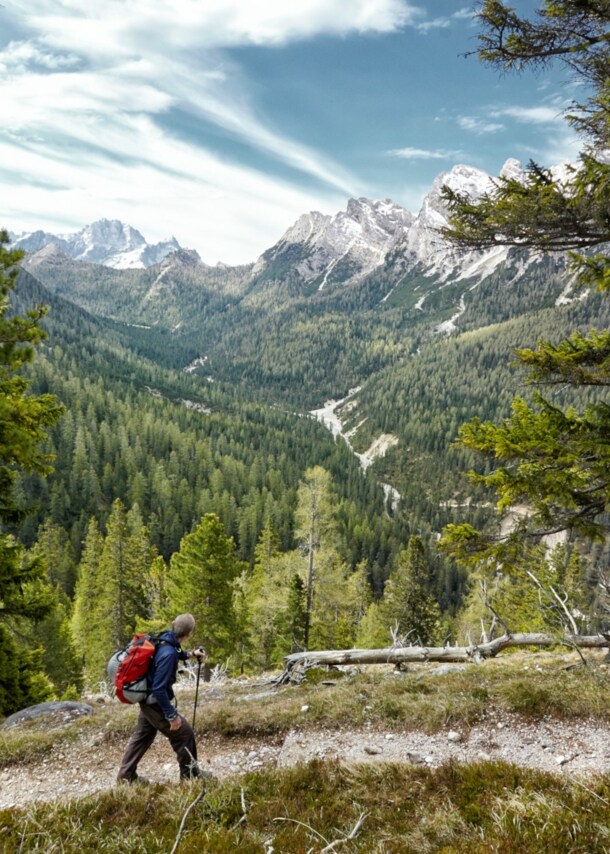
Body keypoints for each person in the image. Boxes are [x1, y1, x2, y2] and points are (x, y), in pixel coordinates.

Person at [117, 613, 206, 783]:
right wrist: (171, 716)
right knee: (184, 734)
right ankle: (190, 779)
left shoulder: (165, 638)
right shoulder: (169, 655)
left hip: (146, 700)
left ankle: (125, 777)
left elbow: (176, 651)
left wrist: (191, 654)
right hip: (154, 703)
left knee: (143, 735)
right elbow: (159, 689)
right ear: (189, 634)